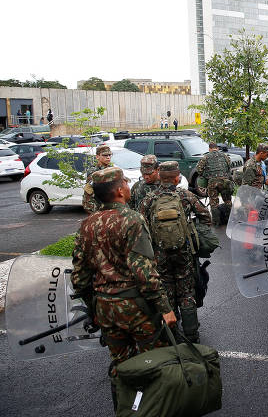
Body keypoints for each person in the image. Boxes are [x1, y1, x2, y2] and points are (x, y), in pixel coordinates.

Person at [71, 166, 176, 409]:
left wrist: (94, 307)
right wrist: (164, 307)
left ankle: (125, 407)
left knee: (121, 362)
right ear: (119, 190)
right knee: (154, 359)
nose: (129, 187)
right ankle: (155, 408)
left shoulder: (87, 225)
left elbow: (80, 276)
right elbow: (144, 271)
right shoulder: (132, 219)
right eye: (126, 183)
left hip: (105, 307)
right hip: (135, 306)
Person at [138, 161, 211, 342]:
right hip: (183, 252)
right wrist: (195, 232)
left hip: (159, 254)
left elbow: (140, 226)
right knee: (186, 292)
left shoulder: (149, 199)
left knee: (166, 291)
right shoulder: (185, 196)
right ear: (177, 178)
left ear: (160, 177)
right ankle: (192, 335)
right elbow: (205, 215)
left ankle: (172, 334)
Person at [195, 142, 232, 215]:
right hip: (225, 182)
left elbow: (199, 170)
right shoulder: (224, 156)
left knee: (214, 203)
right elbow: (229, 166)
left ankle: (216, 222)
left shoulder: (205, 157)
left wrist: (205, 174)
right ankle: (229, 219)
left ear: (209, 149)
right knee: (227, 201)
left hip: (212, 183)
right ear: (217, 148)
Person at [83, 145, 114, 214]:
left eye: (109, 155)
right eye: (105, 155)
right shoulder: (93, 171)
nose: (108, 157)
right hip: (97, 206)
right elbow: (89, 190)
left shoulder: (112, 169)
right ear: (97, 157)